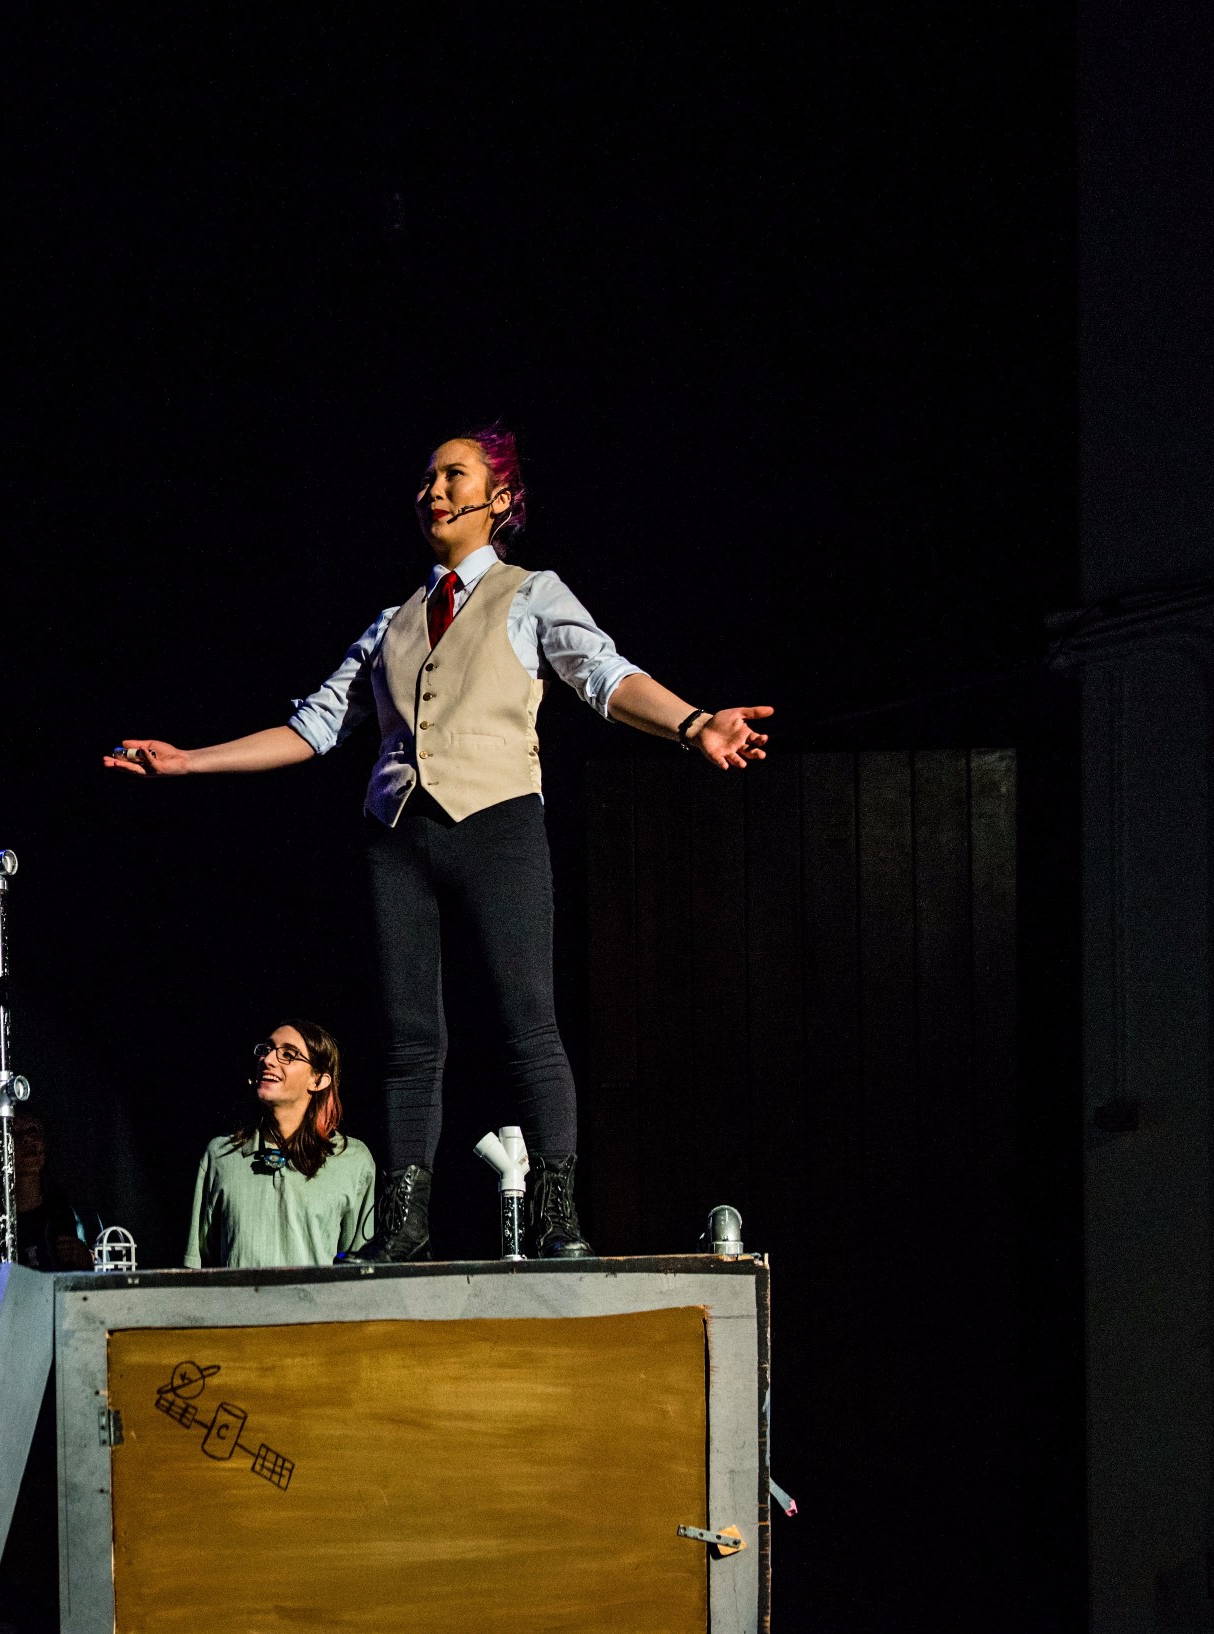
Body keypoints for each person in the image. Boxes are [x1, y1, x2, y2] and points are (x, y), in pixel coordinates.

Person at [109, 424, 772, 1259]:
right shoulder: (392, 623)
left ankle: (557, 1217)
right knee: (409, 1041)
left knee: (529, 1025)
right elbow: (313, 727)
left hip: (498, 822)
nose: (434, 491)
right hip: (398, 839)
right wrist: (189, 762)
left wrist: (694, 723)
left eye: (454, 476)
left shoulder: (530, 594)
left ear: (500, 499)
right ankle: (405, 1226)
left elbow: (603, 675)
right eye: (427, 478)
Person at [185, 1021, 377, 1269]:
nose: (267, 1060)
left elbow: (359, 1271)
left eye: (288, 1055)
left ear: (318, 1080)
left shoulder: (351, 1159)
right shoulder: (222, 1155)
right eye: (266, 1050)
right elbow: (197, 1266)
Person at [0, 1109, 99, 1271]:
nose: (27, 1139)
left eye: (32, 1131)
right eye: (11, 1132)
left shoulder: (70, 1212)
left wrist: (86, 1259)